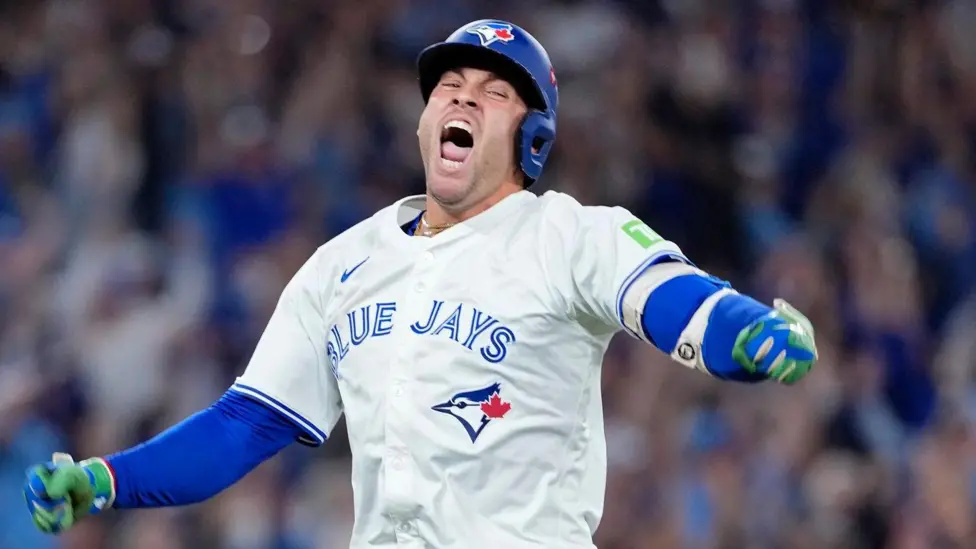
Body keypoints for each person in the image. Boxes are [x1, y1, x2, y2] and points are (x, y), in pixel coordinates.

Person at [23, 20, 818, 548]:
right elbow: (244, 425)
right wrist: (107, 477)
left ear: (531, 137)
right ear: (423, 121)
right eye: (450, 86)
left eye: (495, 90)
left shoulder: (569, 233)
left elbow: (677, 298)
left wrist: (745, 330)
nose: (465, 95)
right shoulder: (342, 263)